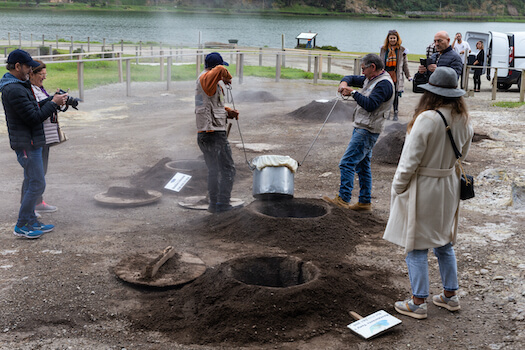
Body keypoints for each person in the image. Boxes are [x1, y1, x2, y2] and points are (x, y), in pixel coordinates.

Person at [383, 67, 474, 319]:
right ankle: (450, 296)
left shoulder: (427, 119)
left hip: (424, 186)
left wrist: (398, 186)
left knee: (416, 245)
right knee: (444, 241)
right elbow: (462, 156)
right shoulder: (463, 118)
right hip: (448, 184)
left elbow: (410, 160)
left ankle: (418, 302)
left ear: (430, 92)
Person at [0, 49, 68, 239]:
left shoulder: (20, 84)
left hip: (32, 141)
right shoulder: (13, 89)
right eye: (28, 66)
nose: (31, 69)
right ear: (17, 66)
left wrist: (52, 99)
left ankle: (31, 220)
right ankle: (21, 225)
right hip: (26, 144)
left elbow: (35, 107)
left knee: (33, 181)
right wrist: (53, 103)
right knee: (37, 183)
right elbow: (33, 117)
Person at [323, 53, 394, 212]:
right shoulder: (372, 78)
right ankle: (364, 202)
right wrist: (344, 83)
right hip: (363, 127)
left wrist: (353, 93)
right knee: (362, 166)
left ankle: (343, 199)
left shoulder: (384, 84)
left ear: (373, 67)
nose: (362, 72)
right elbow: (351, 78)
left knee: (347, 162)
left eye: (364, 69)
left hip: (368, 130)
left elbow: (371, 105)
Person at [195, 52, 240, 213]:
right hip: (213, 133)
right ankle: (223, 204)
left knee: (214, 169)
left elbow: (211, 105)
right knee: (228, 168)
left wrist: (228, 112)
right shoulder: (206, 78)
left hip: (205, 133)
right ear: (215, 68)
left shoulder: (208, 82)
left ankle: (214, 204)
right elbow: (221, 69)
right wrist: (226, 76)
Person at [23, 60, 59, 214]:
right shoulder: (28, 90)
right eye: (42, 74)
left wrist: (59, 101)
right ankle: (28, 208)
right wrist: (53, 102)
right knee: (33, 175)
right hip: (34, 138)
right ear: (32, 74)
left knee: (40, 172)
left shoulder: (38, 88)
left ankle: (37, 202)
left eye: (45, 74)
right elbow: (36, 114)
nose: (44, 77)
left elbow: (44, 105)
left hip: (44, 136)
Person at [379, 29, 411, 121]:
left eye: (394, 38)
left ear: (397, 39)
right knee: (386, 94)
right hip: (385, 74)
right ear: (388, 39)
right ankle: (387, 112)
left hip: (396, 75)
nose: (392, 40)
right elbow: (380, 62)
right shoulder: (383, 49)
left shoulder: (402, 50)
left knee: (395, 95)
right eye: (391, 38)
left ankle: (395, 112)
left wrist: (408, 75)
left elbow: (405, 65)